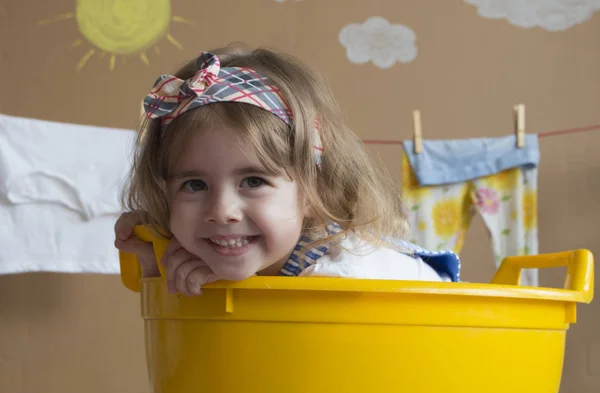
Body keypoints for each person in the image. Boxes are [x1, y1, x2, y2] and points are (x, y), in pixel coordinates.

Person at [114, 44, 460, 296]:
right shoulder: (225, 254)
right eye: (194, 185)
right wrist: (156, 265)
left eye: (253, 181)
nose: (221, 211)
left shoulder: (339, 279)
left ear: (313, 189)